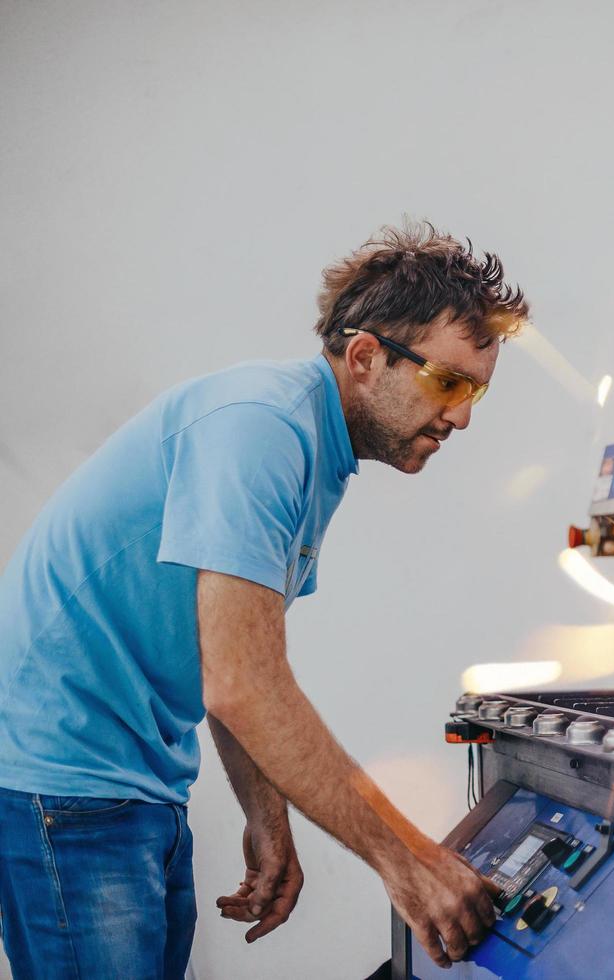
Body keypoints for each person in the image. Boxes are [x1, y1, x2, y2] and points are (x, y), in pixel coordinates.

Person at [0, 221, 527, 977]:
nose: (463, 416)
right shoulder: (262, 429)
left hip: (133, 778)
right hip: (68, 778)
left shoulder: (316, 448)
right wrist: (410, 863)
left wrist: (267, 814)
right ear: (365, 356)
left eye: (475, 391)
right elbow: (245, 683)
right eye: (448, 382)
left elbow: (230, 656)